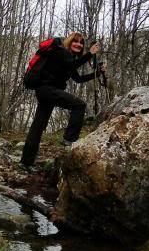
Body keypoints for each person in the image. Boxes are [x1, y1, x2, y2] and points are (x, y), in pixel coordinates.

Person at [20, 32, 106, 170]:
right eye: (75, 41)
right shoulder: (61, 51)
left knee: (38, 126)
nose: (78, 44)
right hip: (47, 90)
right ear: (69, 42)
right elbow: (73, 64)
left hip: (46, 92)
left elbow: (78, 79)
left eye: (81, 43)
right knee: (79, 105)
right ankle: (69, 139)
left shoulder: (68, 59)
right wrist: (90, 53)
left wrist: (97, 74)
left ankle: (26, 162)